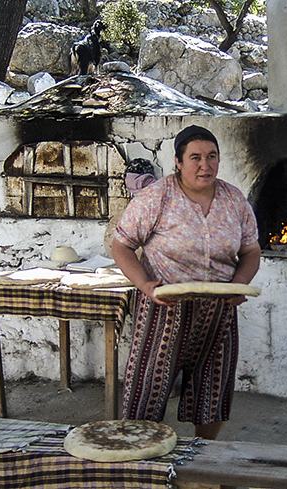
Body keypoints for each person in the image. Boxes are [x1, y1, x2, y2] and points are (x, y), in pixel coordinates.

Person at [111, 125, 261, 440]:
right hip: (165, 309)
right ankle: (139, 461)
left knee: (212, 390)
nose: (204, 165)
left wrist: (240, 283)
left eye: (211, 156)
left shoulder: (233, 200)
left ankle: (202, 459)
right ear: (178, 162)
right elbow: (122, 245)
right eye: (195, 158)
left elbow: (250, 251)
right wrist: (145, 285)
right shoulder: (158, 196)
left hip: (218, 312)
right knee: (146, 390)